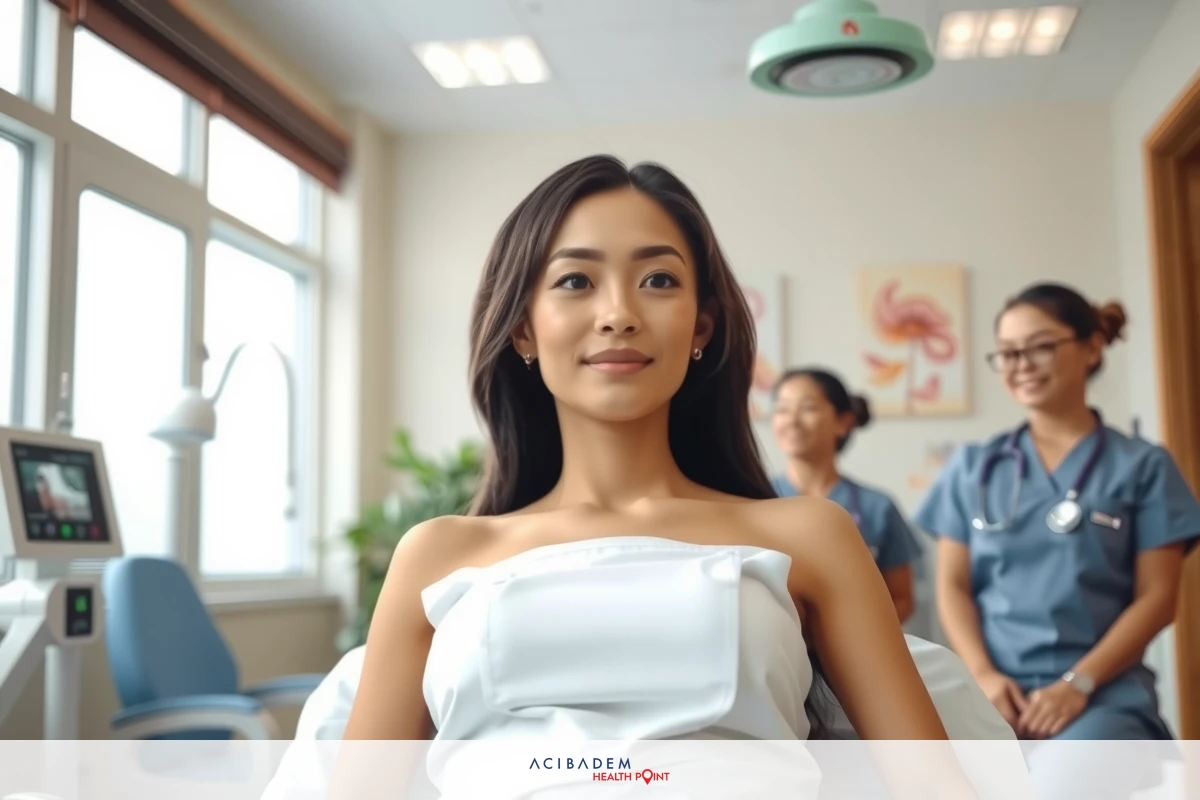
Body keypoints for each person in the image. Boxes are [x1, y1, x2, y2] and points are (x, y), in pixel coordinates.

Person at [340, 154, 950, 758]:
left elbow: (929, 782)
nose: (619, 316)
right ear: (524, 328)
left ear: (701, 328)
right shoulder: (437, 555)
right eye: (575, 281)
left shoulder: (811, 536)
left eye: (658, 280)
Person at [914, 282, 1200, 741]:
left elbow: (1158, 599)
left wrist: (1077, 683)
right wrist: (983, 675)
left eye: (1040, 347)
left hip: (1101, 697)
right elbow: (952, 586)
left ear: (1092, 347)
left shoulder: (1143, 466)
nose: (1021, 365)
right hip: (991, 694)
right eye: (1007, 353)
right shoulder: (974, 468)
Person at [770, 368, 924, 623]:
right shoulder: (751, 499)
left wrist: (854, 641)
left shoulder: (877, 506)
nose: (792, 421)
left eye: (808, 408)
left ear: (844, 422)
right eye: (782, 409)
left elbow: (902, 599)